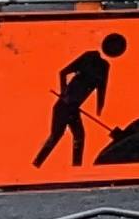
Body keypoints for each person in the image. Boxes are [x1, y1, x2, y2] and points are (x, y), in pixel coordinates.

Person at [38, 31, 126, 169]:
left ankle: (76, 168)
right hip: (64, 105)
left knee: (79, 136)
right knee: (56, 136)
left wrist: (100, 109)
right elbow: (63, 72)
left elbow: (102, 90)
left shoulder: (104, 67)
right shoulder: (89, 56)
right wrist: (63, 93)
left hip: (73, 108)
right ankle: (37, 164)